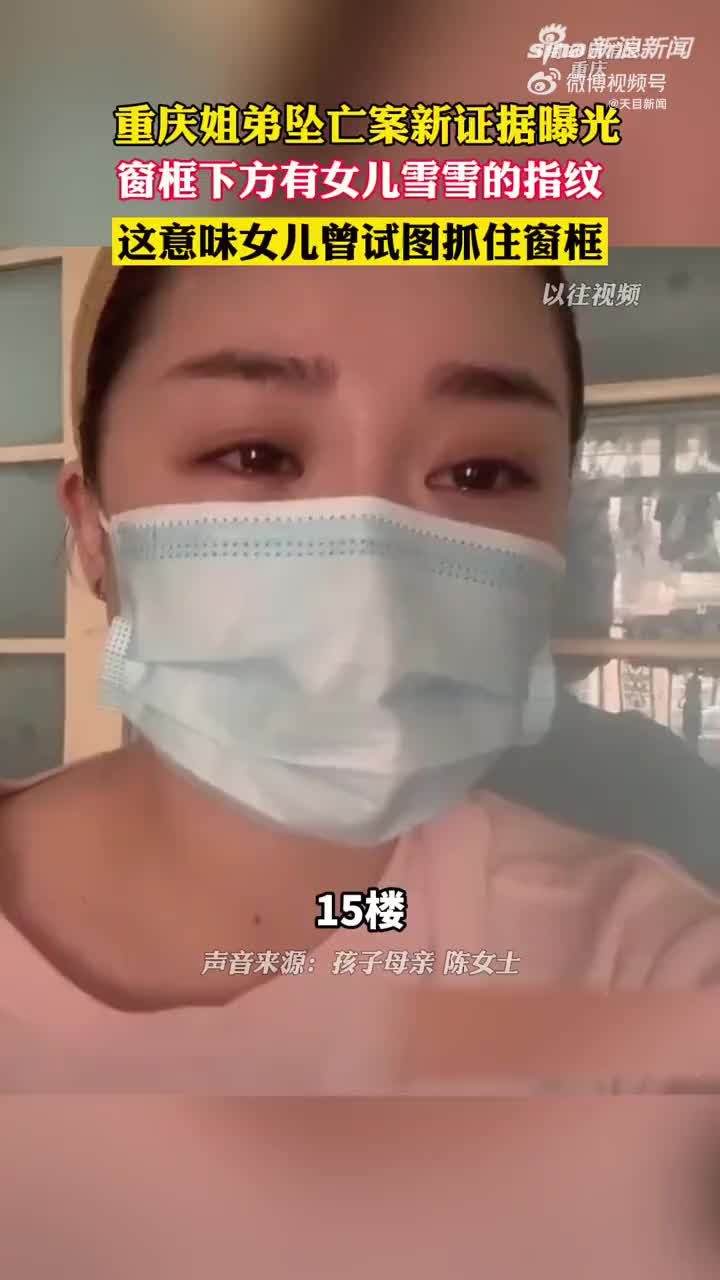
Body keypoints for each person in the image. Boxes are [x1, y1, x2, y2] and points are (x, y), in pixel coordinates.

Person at [2, 251, 720, 1101]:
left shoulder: (638, 968)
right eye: (257, 454)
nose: (375, 573)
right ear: (94, 528)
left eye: (481, 473)